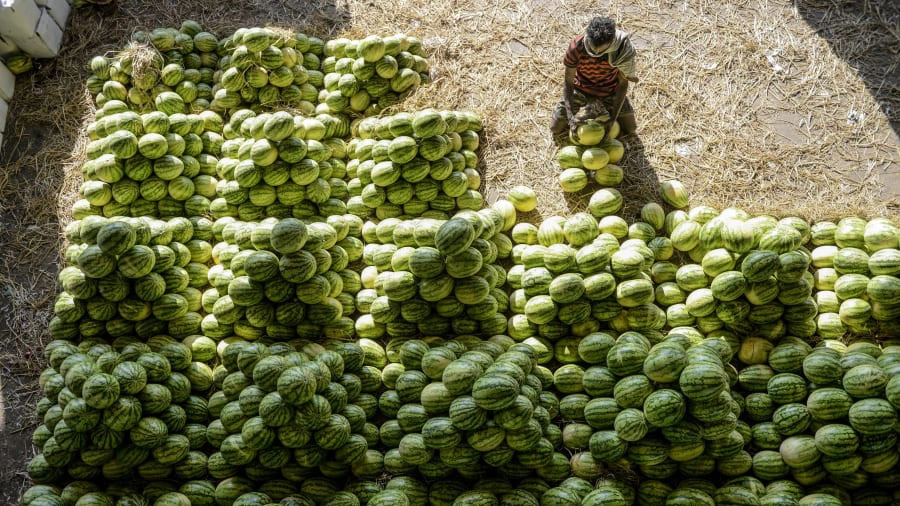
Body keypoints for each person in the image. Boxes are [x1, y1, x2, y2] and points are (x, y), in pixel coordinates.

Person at [550, 16, 639, 143]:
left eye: (601, 49)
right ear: (588, 36)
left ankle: (602, 109)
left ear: (612, 41)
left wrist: (613, 118)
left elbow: (622, 84)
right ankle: (591, 106)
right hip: (581, 88)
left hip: (610, 90)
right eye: (592, 47)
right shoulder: (576, 47)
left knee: (631, 129)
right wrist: (570, 118)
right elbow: (568, 82)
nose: (596, 51)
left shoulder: (622, 50)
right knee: (555, 128)